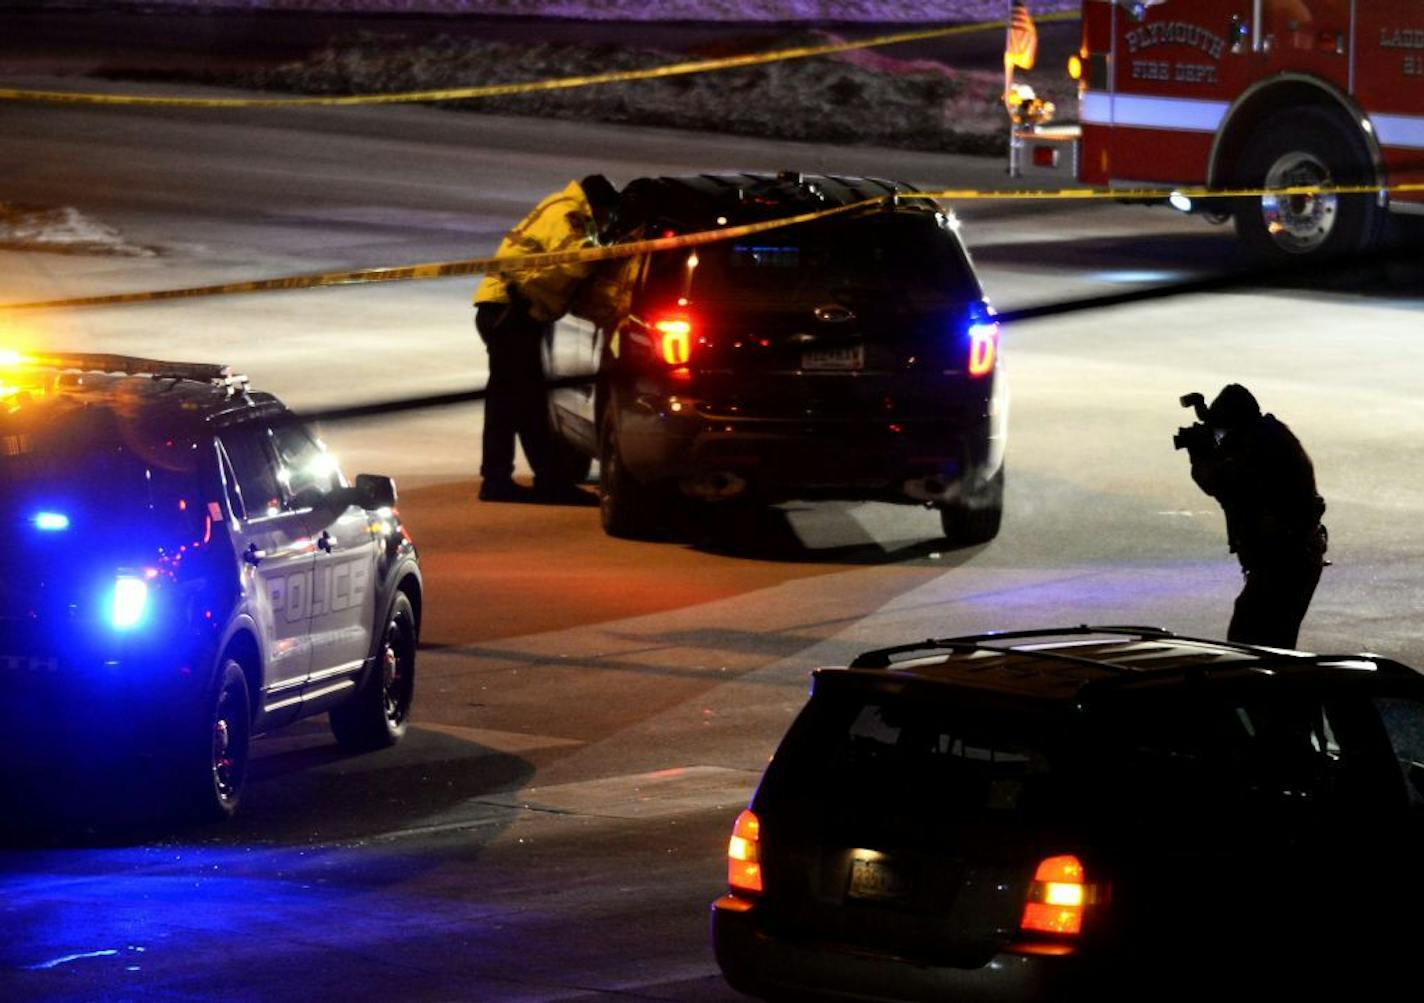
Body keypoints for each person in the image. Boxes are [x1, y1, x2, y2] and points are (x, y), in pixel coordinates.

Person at [473, 175, 620, 503]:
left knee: (513, 403)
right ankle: (535, 481)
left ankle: (510, 479)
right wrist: (613, 253)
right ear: (598, 205)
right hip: (510, 311)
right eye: (608, 215)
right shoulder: (568, 214)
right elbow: (575, 260)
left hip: (508, 310)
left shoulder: (562, 206)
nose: (606, 222)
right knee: (522, 402)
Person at [1187, 384, 1328, 648]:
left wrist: (1201, 456)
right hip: (1288, 560)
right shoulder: (1267, 436)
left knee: (1251, 646)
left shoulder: (1261, 446)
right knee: (1264, 644)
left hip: (1285, 563)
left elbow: (1221, 484)